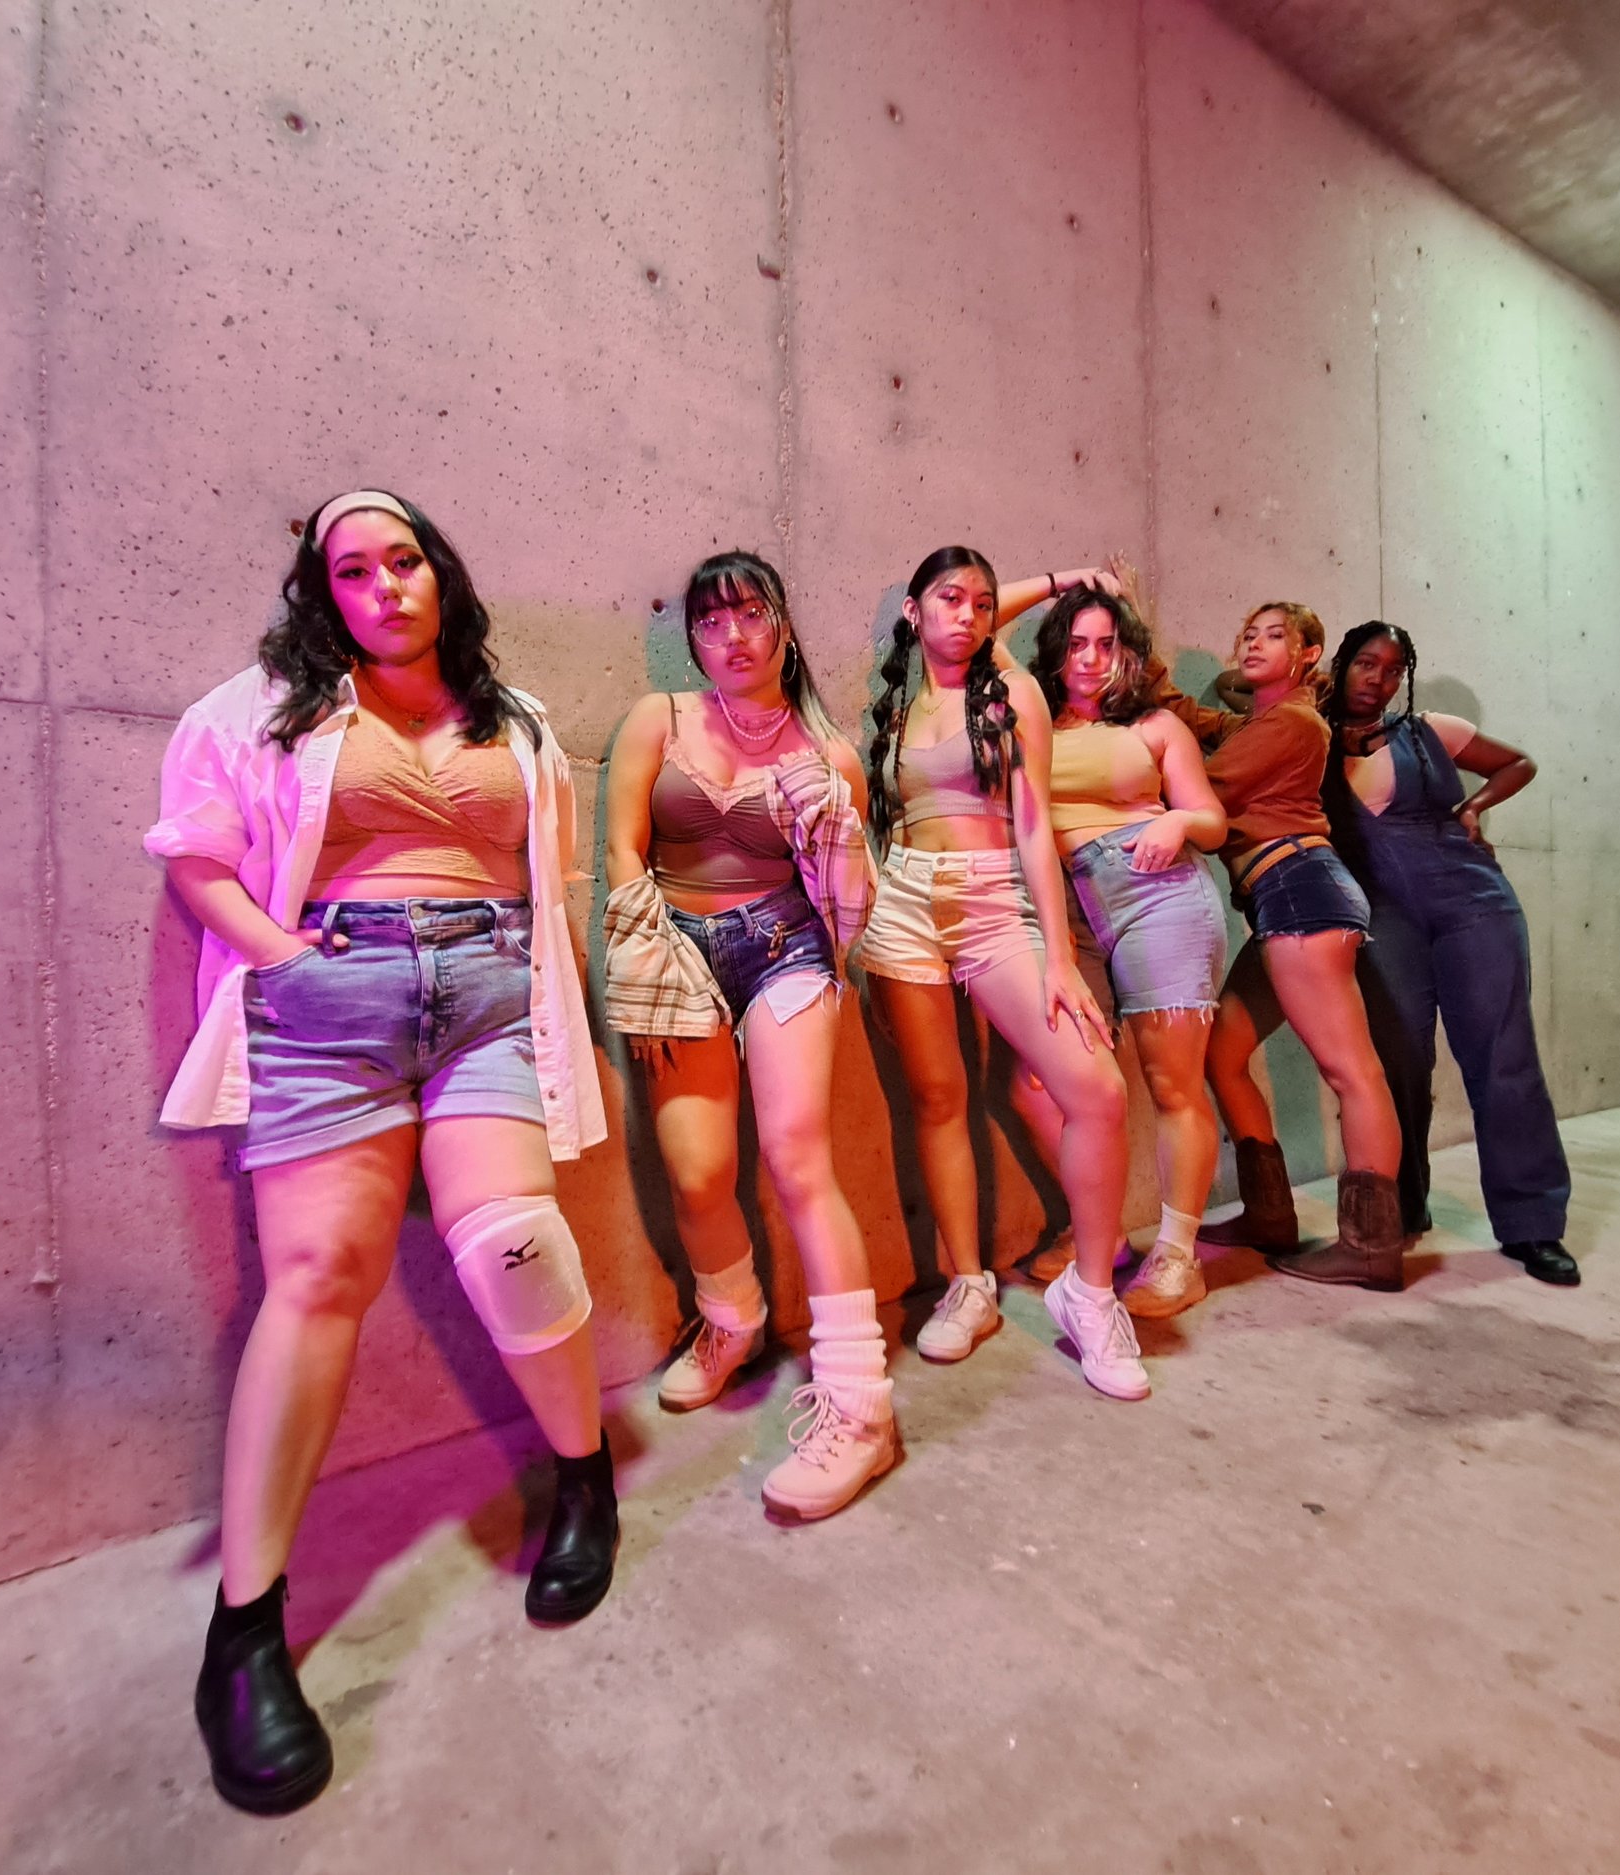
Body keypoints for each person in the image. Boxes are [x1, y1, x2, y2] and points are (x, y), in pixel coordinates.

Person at [146, 488, 615, 1815]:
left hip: (487, 991)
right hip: (328, 995)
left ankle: (583, 1477)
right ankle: (245, 1631)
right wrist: (288, 962)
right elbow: (199, 858)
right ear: (325, 592)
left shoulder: (512, 720)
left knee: (515, 1242)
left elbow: (548, 878)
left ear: (439, 572)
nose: (383, 586)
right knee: (315, 1281)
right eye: (352, 570)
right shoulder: (256, 711)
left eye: (402, 559)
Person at [602, 551, 898, 1519]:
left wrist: (835, 825)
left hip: (787, 949)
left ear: (783, 624)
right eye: (710, 620)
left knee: (798, 1157)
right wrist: (647, 959)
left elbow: (850, 908)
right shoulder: (659, 719)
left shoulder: (829, 755)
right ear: (693, 637)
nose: (731, 636)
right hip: (672, 949)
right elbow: (621, 851)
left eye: (750, 614)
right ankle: (733, 1320)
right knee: (697, 1173)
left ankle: (861, 1407)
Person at [858, 547, 1149, 1400]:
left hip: (993, 904)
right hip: (903, 901)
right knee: (939, 1099)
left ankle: (1091, 1296)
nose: (969, 614)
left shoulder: (1009, 690)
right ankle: (969, 1283)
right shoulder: (900, 702)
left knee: (1097, 1091)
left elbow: (1031, 831)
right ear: (913, 610)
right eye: (949, 599)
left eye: (984, 604)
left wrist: (1058, 956)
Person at [1322, 621, 1577, 1284]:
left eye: (1392, 670)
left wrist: (1472, 807)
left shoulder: (1430, 730)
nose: (1377, 679)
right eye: (1365, 663)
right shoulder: (1309, 738)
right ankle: (1401, 1211)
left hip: (1474, 905)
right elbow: (1238, 688)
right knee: (1396, 1065)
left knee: (1503, 1059)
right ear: (1341, 662)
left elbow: (1518, 763)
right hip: (1382, 916)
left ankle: (1533, 1224)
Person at [1016, 585, 1231, 1318]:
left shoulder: (1155, 725)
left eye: (1106, 644)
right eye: (1076, 643)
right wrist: (1065, 577)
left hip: (1155, 893)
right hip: (1066, 911)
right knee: (1040, 1083)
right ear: (1055, 652)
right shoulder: (1031, 722)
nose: (1091, 659)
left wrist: (1180, 823)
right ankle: (1100, 1233)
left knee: (1174, 1085)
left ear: (1127, 653)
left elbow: (1211, 818)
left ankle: (1176, 1255)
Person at [1201, 602, 1409, 1290]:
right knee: (1222, 1051)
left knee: (1353, 1071)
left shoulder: (1293, 720)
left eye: (1275, 635)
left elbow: (1210, 786)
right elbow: (1206, 718)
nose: (1254, 643)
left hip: (1300, 892)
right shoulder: (1264, 722)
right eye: (1248, 633)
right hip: (1283, 899)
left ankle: (1371, 1245)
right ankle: (1269, 1215)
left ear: (1309, 652)